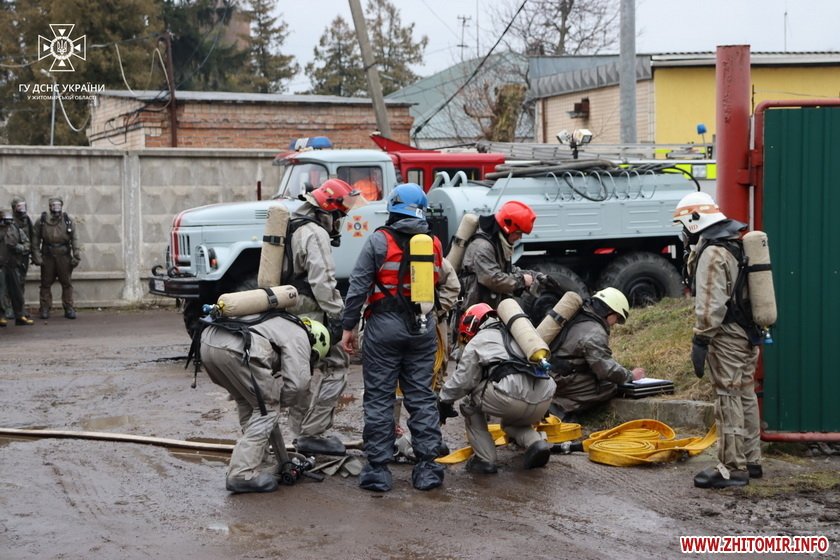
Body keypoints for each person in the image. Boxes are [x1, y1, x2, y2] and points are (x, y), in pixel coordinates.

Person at [340, 183, 460, 492]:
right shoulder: (434, 243)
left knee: (380, 397)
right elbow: (441, 283)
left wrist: (348, 327)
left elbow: (358, 286)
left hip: (384, 328)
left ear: (392, 207)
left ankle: (378, 471)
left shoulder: (378, 240)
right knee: (421, 397)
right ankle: (428, 467)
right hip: (422, 329)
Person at [673, 192, 761, 489]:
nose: (683, 232)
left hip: (726, 337)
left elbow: (710, 304)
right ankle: (751, 460)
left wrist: (700, 340)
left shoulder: (712, 252)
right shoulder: (735, 243)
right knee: (745, 394)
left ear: (693, 221)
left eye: (683, 225)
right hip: (747, 334)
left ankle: (732, 468)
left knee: (727, 397)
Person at [284, 179, 367, 456]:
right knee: (338, 365)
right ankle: (313, 433)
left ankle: (300, 435)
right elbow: (323, 282)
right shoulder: (314, 232)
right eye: (340, 215)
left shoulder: (292, 224)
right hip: (310, 309)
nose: (340, 222)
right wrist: (340, 319)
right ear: (328, 210)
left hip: (288, 308)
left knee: (302, 370)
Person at [198, 309, 318, 493]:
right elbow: (298, 385)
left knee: (249, 402)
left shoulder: (280, 322)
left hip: (208, 343)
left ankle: (259, 460)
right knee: (267, 409)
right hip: (236, 349)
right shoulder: (301, 336)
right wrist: (277, 401)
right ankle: (241, 473)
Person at [437, 303, 557, 474]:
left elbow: (463, 381)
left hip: (511, 399)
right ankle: (536, 443)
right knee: (512, 420)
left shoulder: (481, 339)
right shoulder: (520, 335)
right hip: (544, 400)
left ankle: (485, 460)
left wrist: (444, 400)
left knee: (468, 402)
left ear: (470, 324)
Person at [546, 287, 645, 422]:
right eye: (618, 316)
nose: (617, 321)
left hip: (548, 372)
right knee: (609, 386)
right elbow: (606, 371)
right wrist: (631, 375)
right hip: (560, 379)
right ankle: (559, 408)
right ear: (609, 310)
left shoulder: (579, 315)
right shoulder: (595, 333)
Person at [458, 200, 538, 310]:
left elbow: (505, 269)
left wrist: (531, 275)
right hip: (475, 312)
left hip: (485, 307)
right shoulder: (483, 247)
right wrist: (522, 280)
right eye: (518, 232)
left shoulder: (496, 242)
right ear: (507, 228)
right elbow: (493, 279)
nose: (520, 237)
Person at [32, 196, 81, 320]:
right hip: (47, 255)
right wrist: (36, 255)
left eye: (58, 205)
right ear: (50, 207)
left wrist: (76, 254)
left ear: (62, 206)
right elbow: (35, 239)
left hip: (64, 255)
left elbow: (75, 239)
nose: (56, 208)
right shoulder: (42, 221)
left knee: (67, 283)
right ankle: (45, 308)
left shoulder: (68, 221)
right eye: (53, 205)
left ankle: (69, 308)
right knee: (45, 283)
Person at [0, 207, 34, 326]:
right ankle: (1, 316)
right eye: (4, 217)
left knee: (17, 292)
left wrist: (18, 247)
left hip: (14, 265)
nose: (7, 220)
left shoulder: (16, 230)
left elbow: (27, 244)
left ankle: (20, 315)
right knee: (1, 292)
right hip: (1, 266)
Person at [11, 196, 34, 319]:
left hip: (24, 256)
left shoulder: (27, 220)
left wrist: (35, 255)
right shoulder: (10, 221)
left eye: (23, 206)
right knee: (10, 283)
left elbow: (33, 237)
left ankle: (20, 308)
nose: (22, 209)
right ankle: (8, 309)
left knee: (21, 283)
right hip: (11, 256)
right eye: (19, 207)